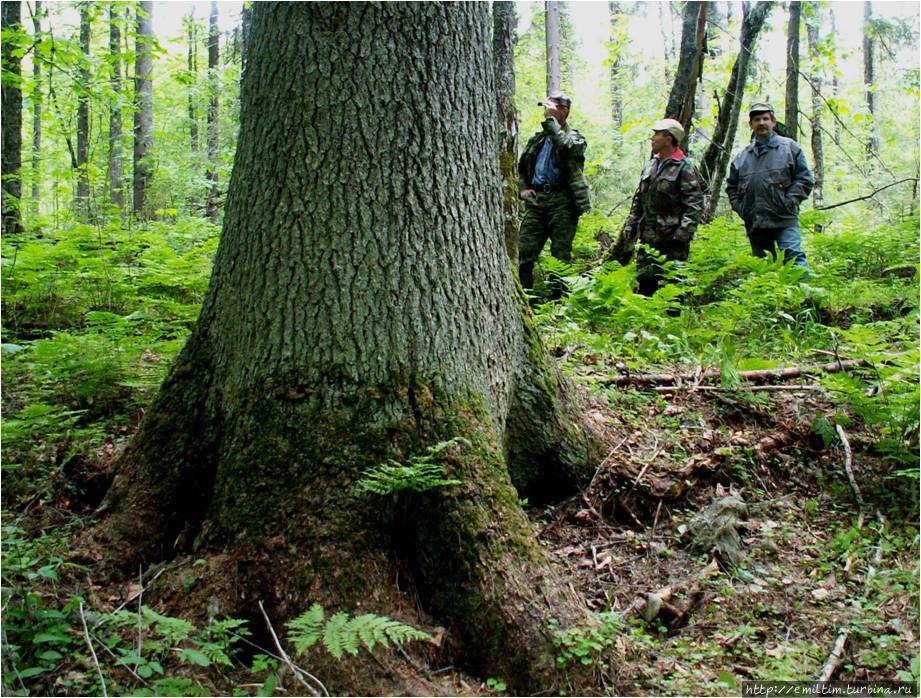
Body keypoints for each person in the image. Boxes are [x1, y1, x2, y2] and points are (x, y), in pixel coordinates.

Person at [614, 118, 704, 296]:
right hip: (647, 237)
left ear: (669, 139)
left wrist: (683, 232)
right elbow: (639, 198)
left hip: (672, 240)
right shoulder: (651, 165)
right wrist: (631, 223)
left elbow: (694, 203)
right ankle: (646, 323)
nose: (652, 138)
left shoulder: (684, 167)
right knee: (645, 283)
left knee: (671, 289)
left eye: (657, 134)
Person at [517, 93, 592, 295]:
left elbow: (569, 148)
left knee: (560, 256)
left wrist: (552, 125)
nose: (546, 111)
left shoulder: (575, 138)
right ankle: (526, 299)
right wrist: (523, 188)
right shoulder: (538, 140)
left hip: (563, 202)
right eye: (545, 107)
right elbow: (522, 167)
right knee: (524, 252)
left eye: (550, 107)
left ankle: (558, 304)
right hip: (536, 201)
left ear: (564, 111)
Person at [726, 101, 814, 270]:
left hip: (783, 218)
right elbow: (732, 187)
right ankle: (770, 297)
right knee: (763, 266)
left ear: (773, 122)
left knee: (793, 258)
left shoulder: (790, 148)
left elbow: (804, 179)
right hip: (755, 222)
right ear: (750, 125)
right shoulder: (742, 157)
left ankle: (803, 295)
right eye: (757, 119)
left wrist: (789, 201)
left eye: (766, 118)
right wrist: (742, 208)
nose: (762, 123)